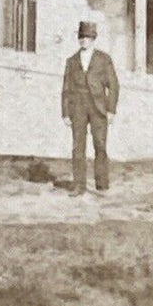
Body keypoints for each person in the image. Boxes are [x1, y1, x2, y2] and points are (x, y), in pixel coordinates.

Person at [62, 19, 120, 195]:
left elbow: (114, 86)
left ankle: (101, 184)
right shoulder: (71, 61)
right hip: (78, 106)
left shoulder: (104, 59)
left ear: (94, 39)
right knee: (78, 146)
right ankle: (79, 185)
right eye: (81, 37)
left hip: (98, 107)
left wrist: (110, 110)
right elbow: (66, 89)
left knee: (100, 145)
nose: (84, 40)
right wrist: (65, 112)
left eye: (87, 37)